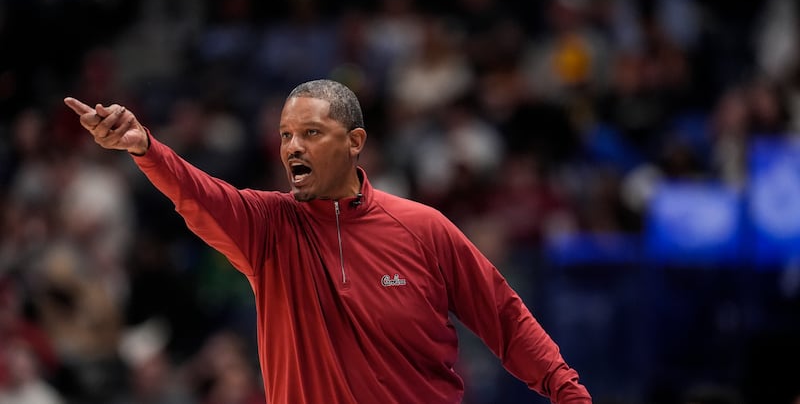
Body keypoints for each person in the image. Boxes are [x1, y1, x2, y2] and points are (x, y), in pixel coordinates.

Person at [64, 79, 591, 403]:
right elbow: (199, 195)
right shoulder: (266, 227)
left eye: (310, 133)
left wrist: (568, 393)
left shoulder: (423, 228)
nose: (292, 146)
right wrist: (146, 148)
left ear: (355, 141)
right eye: (285, 135)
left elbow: (504, 317)